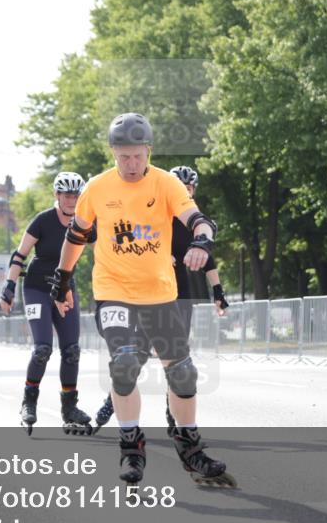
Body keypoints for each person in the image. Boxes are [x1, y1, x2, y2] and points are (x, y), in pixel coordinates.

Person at [51, 112, 235, 487]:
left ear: (148, 151)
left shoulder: (166, 184)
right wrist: (63, 280)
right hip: (113, 292)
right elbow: (77, 235)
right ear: (113, 153)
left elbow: (198, 218)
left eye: (137, 156)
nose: (131, 164)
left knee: (183, 373)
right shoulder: (98, 189)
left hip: (160, 296)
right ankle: (132, 449)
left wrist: (202, 241)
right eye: (123, 157)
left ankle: (190, 448)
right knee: (124, 365)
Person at [93, 164, 231, 434]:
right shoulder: (156, 213)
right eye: (181, 187)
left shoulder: (194, 220)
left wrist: (218, 292)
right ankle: (113, 402)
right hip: (151, 294)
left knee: (178, 360)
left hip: (183, 295)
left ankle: (174, 414)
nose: (185, 191)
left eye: (189, 188)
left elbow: (209, 260)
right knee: (137, 354)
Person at [0, 171, 96, 435]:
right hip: (37, 288)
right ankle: (29, 402)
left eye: (76, 195)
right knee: (43, 348)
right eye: (67, 195)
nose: (72, 200)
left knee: (72, 350)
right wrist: (8, 287)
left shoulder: (85, 221)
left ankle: (69, 408)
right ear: (57, 195)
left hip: (65, 289)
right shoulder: (43, 220)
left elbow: (109, 247)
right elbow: (19, 255)